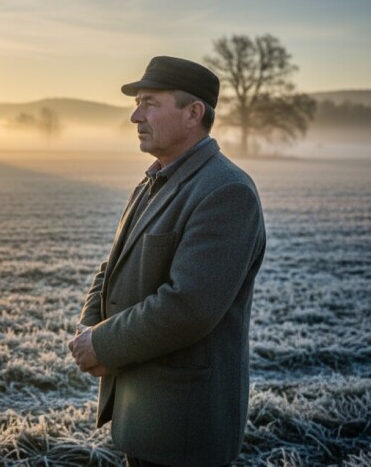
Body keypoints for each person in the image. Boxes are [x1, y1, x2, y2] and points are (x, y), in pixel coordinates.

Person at [68, 56, 266, 467]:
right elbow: (113, 265)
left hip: (184, 427)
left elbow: (189, 306)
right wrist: (90, 327)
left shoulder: (226, 192)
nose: (135, 116)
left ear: (194, 113)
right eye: (137, 103)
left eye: (150, 103)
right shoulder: (154, 178)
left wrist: (104, 344)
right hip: (141, 412)